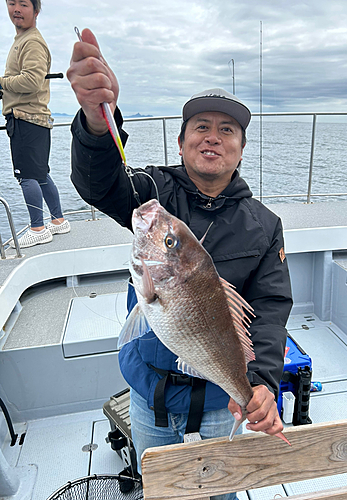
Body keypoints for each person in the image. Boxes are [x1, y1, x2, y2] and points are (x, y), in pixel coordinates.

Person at [67, 29, 293, 500]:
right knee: (163, 491)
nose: (212, 137)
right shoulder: (153, 191)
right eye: (201, 127)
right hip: (149, 393)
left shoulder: (265, 224)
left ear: (241, 148)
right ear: (182, 138)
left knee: (221, 492)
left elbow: (269, 307)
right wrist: (95, 120)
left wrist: (261, 383)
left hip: (219, 396)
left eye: (226, 130)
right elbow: (99, 182)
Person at [1, 0, 70, 249]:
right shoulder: (22, 40)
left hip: (26, 119)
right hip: (35, 119)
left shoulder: (31, 41)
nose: (16, 8)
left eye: (23, 4)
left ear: (36, 10)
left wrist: (2, 83)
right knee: (41, 175)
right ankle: (59, 220)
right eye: (11, 3)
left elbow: (31, 80)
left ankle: (37, 228)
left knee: (27, 176)